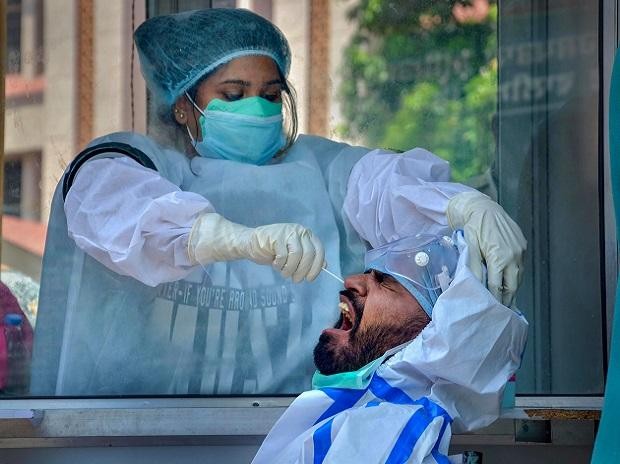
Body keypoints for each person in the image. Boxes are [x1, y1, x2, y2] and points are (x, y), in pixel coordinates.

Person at [30, 8, 526, 396]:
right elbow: (106, 197)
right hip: (134, 438)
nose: (258, 108)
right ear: (184, 103)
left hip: (288, 430)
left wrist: (460, 206)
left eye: (270, 93)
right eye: (234, 92)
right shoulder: (144, 164)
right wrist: (228, 237)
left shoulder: (319, 169)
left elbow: (383, 184)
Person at [252, 233, 528, 464]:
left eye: (385, 280)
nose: (351, 281)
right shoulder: (374, 421)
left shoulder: (381, 437)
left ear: (442, 331)